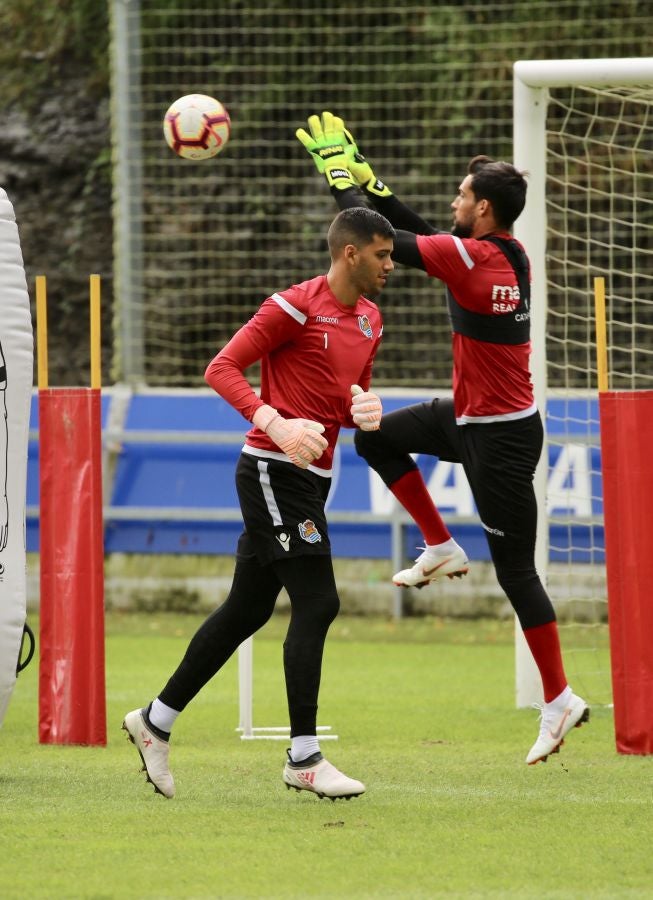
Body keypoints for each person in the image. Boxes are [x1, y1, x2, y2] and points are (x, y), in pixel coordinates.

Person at [296, 112, 589, 766]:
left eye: (461, 195)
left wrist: (342, 185)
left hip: (502, 441)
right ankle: (438, 543)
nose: (452, 202)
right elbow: (421, 233)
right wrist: (367, 179)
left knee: (516, 573)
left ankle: (559, 697)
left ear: (482, 208)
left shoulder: (475, 260)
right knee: (373, 437)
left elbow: (381, 240)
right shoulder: (502, 252)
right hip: (471, 417)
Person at [123, 206, 395, 799]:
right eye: (381, 255)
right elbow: (221, 369)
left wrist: (363, 409)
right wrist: (273, 421)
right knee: (319, 602)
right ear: (350, 253)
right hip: (273, 470)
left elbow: (350, 392)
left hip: (314, 476)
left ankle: (155, 721)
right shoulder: (292, 305)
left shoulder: (372, 319)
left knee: (247, 610)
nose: (390, 266)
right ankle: (304, 757)